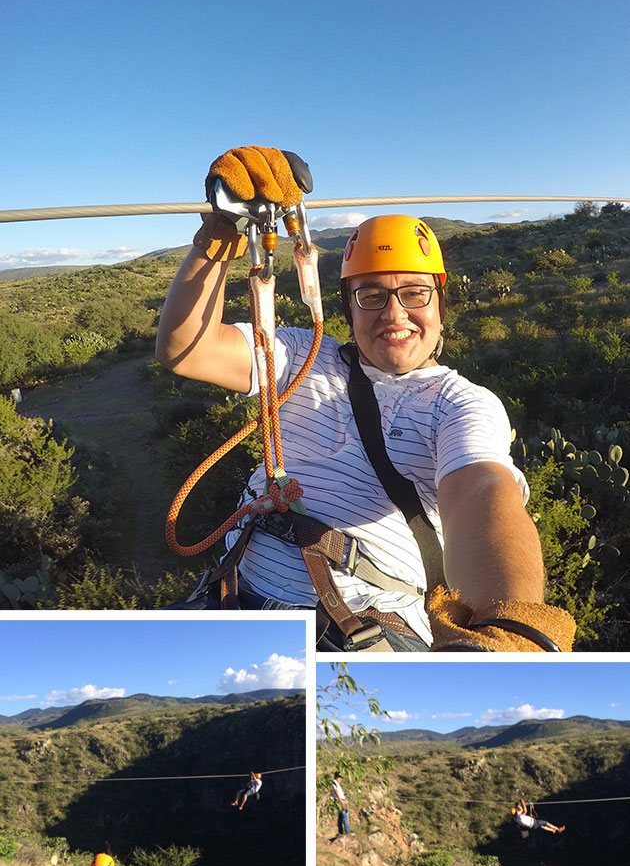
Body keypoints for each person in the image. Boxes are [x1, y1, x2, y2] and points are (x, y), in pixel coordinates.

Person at [156, 146, 576, 654]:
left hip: (359, 629)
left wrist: (510, 626)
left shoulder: (460, 403)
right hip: (228, 596)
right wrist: (218, 239)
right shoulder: (299, 355)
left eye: (414, 294)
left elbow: (481, 490)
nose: (394, 314)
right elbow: (186, 349)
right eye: (371, 296)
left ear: (441, 304)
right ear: (348, 308)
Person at [331, 772, 351, 837]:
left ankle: (341, 832)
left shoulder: (337, 784)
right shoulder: (334, 783)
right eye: (340, 777)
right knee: (345, 815)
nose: (341, 779)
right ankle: (347, 832)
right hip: (340, 801)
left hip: (341, 800)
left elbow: (339, 793)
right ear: (337, 777)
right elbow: (337, 793)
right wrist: (342, 802)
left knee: (341, 816)